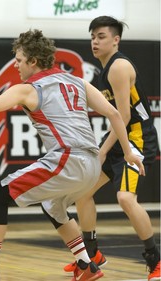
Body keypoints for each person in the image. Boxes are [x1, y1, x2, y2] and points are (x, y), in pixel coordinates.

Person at [0, 29, 144, 281]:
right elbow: (116, 114)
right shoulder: (78, 82)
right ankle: (86, 264)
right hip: (92, 164)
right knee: (53, 205)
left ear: (33, 61)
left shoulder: (29, 89)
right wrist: (128, 152)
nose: (16, 65)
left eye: (19, 60)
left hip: (67, 159)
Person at [61, 16, 160, 281]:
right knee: (82, 194)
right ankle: (91, 254)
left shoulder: (118, 66)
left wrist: (105, 150)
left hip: (138, 138)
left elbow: (125, 117)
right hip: (120, 135)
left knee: (126, 198)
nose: (95, 41)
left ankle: (156, 261)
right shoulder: (105, 68)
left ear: (116, 40)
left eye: (101, 36)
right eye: (92, 36)